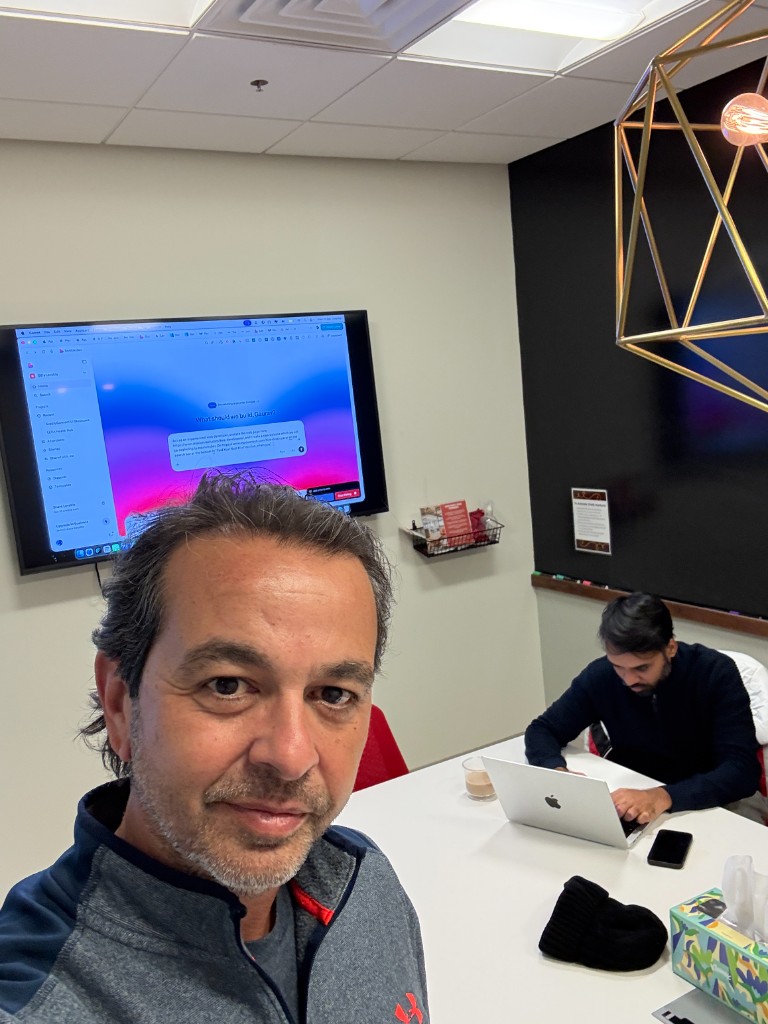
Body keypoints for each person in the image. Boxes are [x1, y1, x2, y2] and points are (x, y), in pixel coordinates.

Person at [0, 474, 429, 1024]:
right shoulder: (40, 997)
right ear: (120, 703)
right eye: (227, 685)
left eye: (332, 694)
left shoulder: (363, 882)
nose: (292, 755)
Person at [525, 592, 760, 825]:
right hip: (632, 796)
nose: (629, 680)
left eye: (642, 668)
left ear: (670, 648)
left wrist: (663, 796)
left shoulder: (715, 674)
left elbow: (742, 771)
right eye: (619, 667)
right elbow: (543, 728)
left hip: (705, 799)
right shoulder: (602, 675)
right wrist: (557, 773)